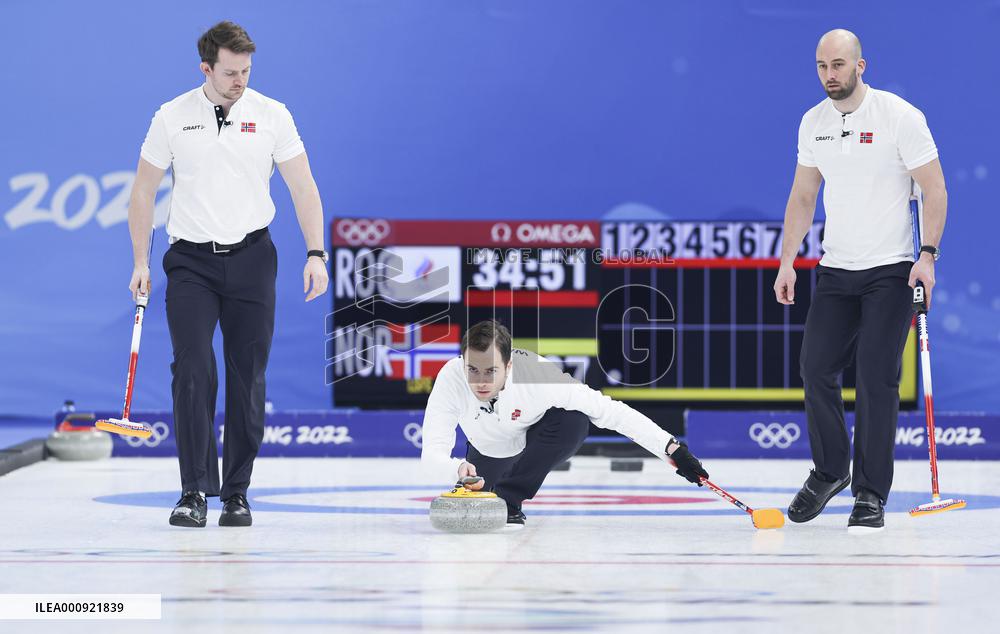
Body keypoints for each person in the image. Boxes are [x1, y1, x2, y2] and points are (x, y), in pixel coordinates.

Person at [125, 21, 329, 528]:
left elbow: (303, 187)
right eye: (231, 72)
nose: (240, 79)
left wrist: (316, 252)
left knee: (247, 374)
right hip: (190, 261)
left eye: (246, 71)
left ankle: (236, 492)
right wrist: (141, 262)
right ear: (206, 69)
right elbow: (143, 192)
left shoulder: (273, 114)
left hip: (253, 258)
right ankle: (193, 491)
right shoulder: (171, 116)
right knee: (192, 368)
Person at [774, 29, 947, 531]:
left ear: (861, 65)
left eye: (839, 65)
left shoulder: (900, 116)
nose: (830, 75)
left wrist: (928, 256)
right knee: (815, 369)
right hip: (836, 268)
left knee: (876, 378)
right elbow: (803, 196)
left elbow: (934, 189)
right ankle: (831, 471)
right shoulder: (813, 123)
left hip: (891, 269)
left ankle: (870, 494)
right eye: (822, 66)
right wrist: (788, 260)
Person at [420, 320, 709, 529]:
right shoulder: (450, 378)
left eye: (490, 371)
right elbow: (431, 454)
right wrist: (456, 468)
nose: (480, 381)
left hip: (530, 445)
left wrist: (672, 449)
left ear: (509, 367)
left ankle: (510, 500)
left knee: (574, 421)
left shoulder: (538, 375)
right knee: (480, 491)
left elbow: (610, 412)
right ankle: (494, 486)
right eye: (472, 370)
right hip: (486, 452)